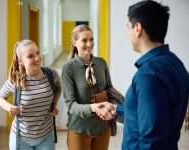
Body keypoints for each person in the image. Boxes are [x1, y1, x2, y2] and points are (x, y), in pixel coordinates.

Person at [99, 0, 189, 149]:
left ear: (138, 28)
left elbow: (152, 139)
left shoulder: (148, 75)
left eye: (128, 26)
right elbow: (155, 115)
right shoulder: (175, 64)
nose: (126, 32)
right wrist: (116, 110)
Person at [61, 24, 119, 150]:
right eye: (84, 40)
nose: (89, 44)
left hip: (103, 127)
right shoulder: (68, 69)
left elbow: (109, 89)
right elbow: (71, 105)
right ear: (74, 42)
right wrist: (94, 107)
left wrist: (115, 107)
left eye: (91, 39)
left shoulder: (101, 63)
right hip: (80, 128)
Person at [0, 39, 61, 150]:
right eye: (30, 56)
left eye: (37, 53)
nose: (37, 58)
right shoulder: (16, 80)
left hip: (46, 136)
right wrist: (9, 107)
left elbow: (58, 89)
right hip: (21, 138)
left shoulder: (51, 74)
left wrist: (53, 105)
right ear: (21, 61)